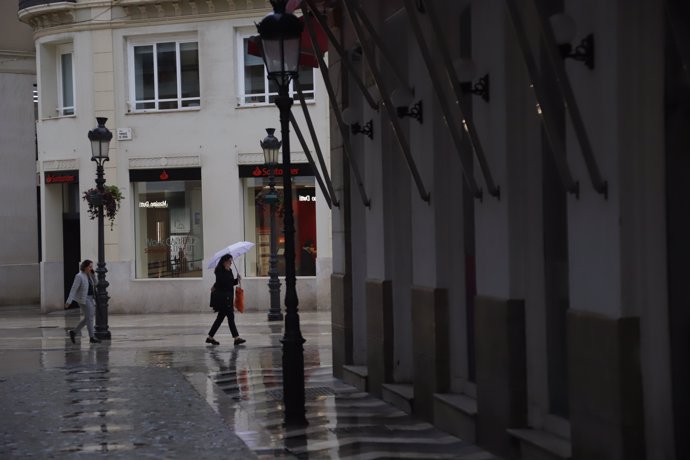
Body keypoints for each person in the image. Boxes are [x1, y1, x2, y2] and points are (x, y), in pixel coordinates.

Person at [206, 254, 246, 346]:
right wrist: (230, 278)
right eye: (230, 261)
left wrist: (237, 280)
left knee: (220, 319)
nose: (231, 262)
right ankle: (236, 338)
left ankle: (210, 337)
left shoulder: (229, 270)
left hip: (228, 297)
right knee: (230, 317)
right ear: (225, 261)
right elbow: (221, 283)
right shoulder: (219, 270)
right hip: (223, 298)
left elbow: (230, 282)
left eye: (231, 261)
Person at [65, 259, 101, 344]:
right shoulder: (79, 276)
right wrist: (68, 301)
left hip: (91, 298)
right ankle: (92, 337)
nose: (91, 268)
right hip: (83, 299)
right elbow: (73, 289)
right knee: (90, 318)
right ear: (85, 267)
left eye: (92, 266)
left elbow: (96, 284)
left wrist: (93, 275)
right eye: (90, 266)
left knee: (88, 317)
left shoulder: (89, 275)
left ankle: (74, 332)